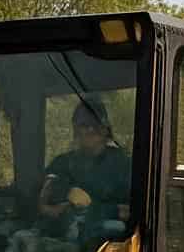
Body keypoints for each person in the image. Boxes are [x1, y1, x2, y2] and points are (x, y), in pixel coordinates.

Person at [37, 98, 132, 240]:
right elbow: (40, 204)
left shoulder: (125, 165)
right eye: (84, 124)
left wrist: (97, 210)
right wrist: (57, 208)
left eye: (95, 123)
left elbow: (136, 213)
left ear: (106, 128)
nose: (90, 129)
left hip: (106, 250)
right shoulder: (61, 163)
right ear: (75, 129)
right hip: (58, 247)